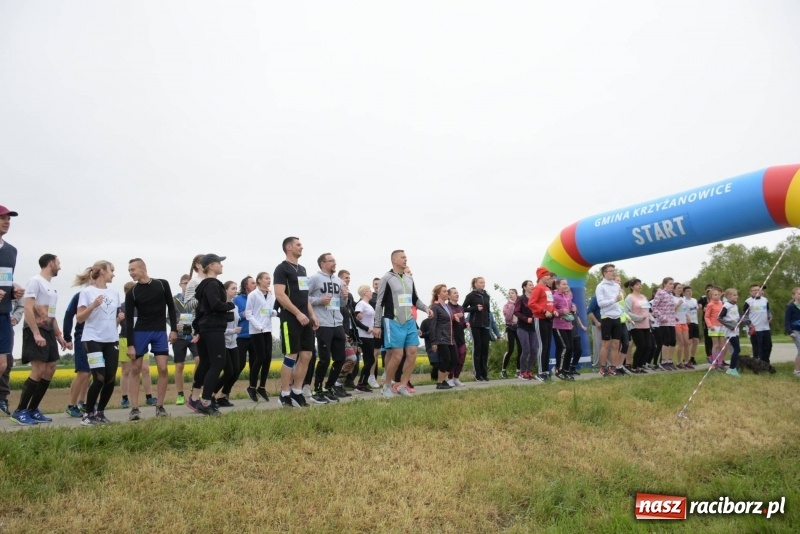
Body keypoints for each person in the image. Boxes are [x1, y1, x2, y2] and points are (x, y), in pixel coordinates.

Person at [12, 254, 69, 425]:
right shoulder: (35, 281)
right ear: (51, 263)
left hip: (49, 330)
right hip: (35, 329)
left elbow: (51, 314)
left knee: (50, 368)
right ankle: (20, 410)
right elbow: (28, 308)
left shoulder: (51, 287)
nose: (60, 266)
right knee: (38, 368)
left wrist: (59, 336)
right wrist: (36, 333)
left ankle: (33, 409)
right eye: (58, 262)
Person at [125, 258, 178, 421]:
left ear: (143, 268)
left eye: (133, 269)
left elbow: (171, 307)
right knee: (136, 369)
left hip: (159, 331)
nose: (131, 273)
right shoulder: (132, 292)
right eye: (129, 271)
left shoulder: (162, 284)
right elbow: (128, 320)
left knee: (163, 369)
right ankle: (134, 408)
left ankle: (160, 406)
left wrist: (174, 330)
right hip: (140, 332)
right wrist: (130, 345)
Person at [373, 250, 430, 398]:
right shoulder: (387, 278)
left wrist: (426, 308)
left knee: (412, 353)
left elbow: (414, 299)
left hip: (409, 321)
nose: (406, 259)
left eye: (406, 257)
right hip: (393, 320)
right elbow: (379, 303)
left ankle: (402, 386)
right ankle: (386, 386)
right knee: (397, 355)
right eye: (403, 257)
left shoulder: (409, 279)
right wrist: (377, 324)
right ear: (393, 260)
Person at [186, 254, 234, 416]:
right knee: (218, 363)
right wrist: (228, 305)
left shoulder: (203, 286)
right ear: (211, 266)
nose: (222, 266)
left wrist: (197, 329)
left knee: (206, 363)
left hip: (205, 328)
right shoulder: (213, 284)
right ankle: (206, 401)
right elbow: (214, 305)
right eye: (219, 263)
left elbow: (200, 310)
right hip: (213, 328)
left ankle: (201, 400)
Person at [75, 261, 122, 425]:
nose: (113, 274)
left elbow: (109, 320)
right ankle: (87, 414)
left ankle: (100, 412)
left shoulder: (115, 293)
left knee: (110, 378)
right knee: (99, 377)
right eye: (112, 270)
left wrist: (119, 319)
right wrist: (93, 305)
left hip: (111, 340)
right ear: (102, 271)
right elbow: (80, 318)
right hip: (92, 339)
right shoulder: (87, 292)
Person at [274, 237, 318, 408]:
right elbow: (280, 295)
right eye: (298, 244)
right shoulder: (281, 268)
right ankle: (284, 394)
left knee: (306, 355)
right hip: (290, 318)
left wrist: (312, 315)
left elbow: (304, 296)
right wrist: (298, 313)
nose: (302, 247)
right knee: (291, 356)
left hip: (305, 318)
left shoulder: (302, 269)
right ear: (289, 247)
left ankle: (297, 393)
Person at [308, 253, 350, 402]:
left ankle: (328, 387)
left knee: (340, 358)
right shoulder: (314, 279)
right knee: (325, 359)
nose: (334, 263)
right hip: (323, 324)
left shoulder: (339, 281)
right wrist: (320, 300)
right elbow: (303, 298)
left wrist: (345, 296)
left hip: (337, 323)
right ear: (322, 264)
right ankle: (317, 390)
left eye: (334, 260)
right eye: (331, 261)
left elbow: (342, 304)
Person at [0, 205, 23, 417]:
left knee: (3, 364)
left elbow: (4, 278)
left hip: (3, 314)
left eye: (9, 219)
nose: (7, 222)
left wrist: (13, 289)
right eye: (2, 218)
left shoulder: (11, 251)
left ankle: (2, 398)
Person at [244, 272, 277, 402]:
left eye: (270, 278)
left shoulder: (270, 295)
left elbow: (270, 310)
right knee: (260, 357)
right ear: (259, 280)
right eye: (266, 278)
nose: (269, 281)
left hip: (268, 329)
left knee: (268, 358)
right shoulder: (253, 295)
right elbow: (248, 313)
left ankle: (262, 386)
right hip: (256, 330)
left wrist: (273, 312)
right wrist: (258, 326)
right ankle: (251, 386)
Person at [213, 280, 242, 407]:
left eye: (236, 288)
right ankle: (210, 395)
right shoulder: (221, 306)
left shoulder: (235, 306)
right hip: (223, 342)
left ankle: (223, 396)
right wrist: (232, 331)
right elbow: (218, 328)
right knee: (228, 371)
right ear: (225, 291)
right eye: (233, 288)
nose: (236, 290)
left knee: (236, 371)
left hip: (233, 342)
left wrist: (235, 331)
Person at [172, 274, 198, 405]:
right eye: (184, 283)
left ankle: (195, 389)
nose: (186, 285)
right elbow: (170, 316)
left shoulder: (195, 298)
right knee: (179, 365)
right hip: (180, 335)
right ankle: (180, 394)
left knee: (199, 360)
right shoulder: (175, 299)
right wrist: (174, 327)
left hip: (194, 334)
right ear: (180, 285)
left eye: (189, 283)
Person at [594, 264, 623, 377]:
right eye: (610, 271)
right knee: (606, 344)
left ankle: (613, 368)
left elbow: (620, 301)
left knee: (616, 344)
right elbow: (600, 303)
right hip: (606, 317)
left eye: (614, 271)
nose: (613, 273)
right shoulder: (600, 286)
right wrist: (614, 300)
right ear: (604, 273)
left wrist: (619, 308)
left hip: (617, 317)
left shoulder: (616, 286)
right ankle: (602, 368)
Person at [63, 291, 89, 417]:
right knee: (83, 372)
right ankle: (71, 405)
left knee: (88, 373)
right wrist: (67, 337)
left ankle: (81, 402)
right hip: (82, 335)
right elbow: (68, 314)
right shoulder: (79, 295)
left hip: (96, 336)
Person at [529, 267, 556, 382]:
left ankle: (545, 371)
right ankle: (540, 372)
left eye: (549, 275)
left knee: (548, 345)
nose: (549, 277)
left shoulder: (547, 289)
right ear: (540, 276)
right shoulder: (538, 288)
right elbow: (531, 303)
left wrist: (553, 310)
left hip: (549, 319)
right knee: (542, 345)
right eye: (546, 275)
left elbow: (550, 303)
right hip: (540, 319)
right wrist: (544, 311)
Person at [428, 284, 458, 389]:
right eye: (444, 291)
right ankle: (440, 382)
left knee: (454, 359)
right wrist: (434, 342)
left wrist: (455, 317)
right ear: (438, 294)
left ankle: (443, 380)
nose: (446, 293)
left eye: (446, 291)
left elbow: (448, 320)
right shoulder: (435, 307)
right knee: (446, 359)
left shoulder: (447, 307)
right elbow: (433, 325)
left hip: (450, 338)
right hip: (441, 337)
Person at [462, 277, 492, 381]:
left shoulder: (487, 295)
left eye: (484, 282)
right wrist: (475, 308)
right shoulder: (471, 296)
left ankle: (484, 374)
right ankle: (477, 374)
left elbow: (488, 311)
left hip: (485, 325)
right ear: (475, 284)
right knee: (478, 348)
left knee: (485, 349)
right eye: (481, 282)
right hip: (475, 324)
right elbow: (463, 308)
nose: (483, 284)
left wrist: (489, 322)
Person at [624, 278, 653, 373]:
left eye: (640, 284)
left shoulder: (644, 297)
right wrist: (639, 318)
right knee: (641, 346)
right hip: (635, 325)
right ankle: (634, 367)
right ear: (632, 287)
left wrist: (650, 319)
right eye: (637, 284)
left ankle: (641, 366)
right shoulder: (629, 297)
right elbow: (626, 312)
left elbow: (647, 310)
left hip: (646, 325)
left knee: (648, 346)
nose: (639, 286)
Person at [233, 276, 255, 394]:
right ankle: (226, 390)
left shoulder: (257, 297)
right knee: (239, 365)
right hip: (241, 337)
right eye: (253, 283)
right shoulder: (237, 300)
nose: (255, 284)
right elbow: (231, 317)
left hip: (255, 335)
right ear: (246, 286)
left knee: (255, 364)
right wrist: (243, 314)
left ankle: (252, 388)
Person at [552, 278, 576, 381]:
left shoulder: (568, 296)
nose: (566, 286)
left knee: (570, 348)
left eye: (566, 284)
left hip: (568, 325)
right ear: (557, 286)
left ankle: (566, 371)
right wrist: (561, 311)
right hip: (558, 325)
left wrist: (573, 309)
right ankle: (559, 370)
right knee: (565, 347)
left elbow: (570, 308)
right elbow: (552, 309)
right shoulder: (555, 297)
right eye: (563, 284)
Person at [652, 277, 678, 371]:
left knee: (673, 341)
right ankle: (663, 361)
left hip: (671, 321)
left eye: (673, 283)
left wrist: (674, 316)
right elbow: (654, 307)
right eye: (670, 283)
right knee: (666, 340)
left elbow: (670, 308)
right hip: (664, 321)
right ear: (664, 284)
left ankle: (669, 361)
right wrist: (662, 317)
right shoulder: (660, 293)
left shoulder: (671, 295)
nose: (672, 285)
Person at [355, 285, 378, 392]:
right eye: (369, 290)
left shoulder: (369, 305)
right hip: (363, 335)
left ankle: (363, 383)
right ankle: (361, 384)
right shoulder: (361, 304)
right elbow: (356, 318)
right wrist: (366, 328)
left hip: (370, 335)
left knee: (369, 359)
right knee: (370, 359)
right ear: (365, 293)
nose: (372, 292)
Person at [743, 284, 772, 363]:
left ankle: (766, 363)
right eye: (754, 290)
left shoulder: (765, 300)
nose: (757, 291)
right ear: (750, 292)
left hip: (765, 328)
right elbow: (744, 316)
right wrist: (749, 325)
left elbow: (768, 311)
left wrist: (769, 317)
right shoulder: (748, 302)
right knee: (757, 348)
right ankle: (757, 364)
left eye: (758, 289)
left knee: (767, 346)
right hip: (755, 329)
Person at [514, 280, 537, 380]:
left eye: (533, 285)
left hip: (533, 327)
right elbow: (516, 312)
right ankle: (522, 372)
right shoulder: (520, 298)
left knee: (534, 350)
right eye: (530, 285)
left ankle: (528, 371)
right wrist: (525, 318)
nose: (532, 286)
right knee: (526, 349)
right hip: (522, 327)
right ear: (524, 287)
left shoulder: (535, 298)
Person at [446, 287, 468, 386]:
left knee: (462, 357)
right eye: (454, 293)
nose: (457, 294)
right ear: (449, 295)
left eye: (457, 293)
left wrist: (466, 323)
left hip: (460, 336)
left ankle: (456, 378)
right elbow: (445, 321)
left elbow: (462, 322)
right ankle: (449, 379)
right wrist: (454, 318)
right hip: (451, 336)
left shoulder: (461, 308)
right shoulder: (447, 307)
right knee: (453, 358)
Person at [719, 288, 742, 377]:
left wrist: (743, 321)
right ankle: (732, 369)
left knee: (736, 349)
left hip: (736, 330)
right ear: (728, 296)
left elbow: (736, 318)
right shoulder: (726, 306)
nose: (736, 296)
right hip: (730, 331)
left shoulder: (735, 306)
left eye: (736, 295)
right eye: (734, 295)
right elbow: (720, 318)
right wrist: (731, 325)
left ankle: (733, 368)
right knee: (737, 349)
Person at [703, 287, 725, 369]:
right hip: (713, 326)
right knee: (715, 345)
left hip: (721, 326)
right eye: (715, 295)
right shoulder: (710, 304)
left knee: (722, 345)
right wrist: (710, 325)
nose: (717, 296)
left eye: (718, 294)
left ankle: (720, 362)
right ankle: (714, 362)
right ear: (711, 296)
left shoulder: (721, 303)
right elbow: (707, 316)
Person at [501, 289, 519, 378]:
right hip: (510, 328)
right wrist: (512, 305)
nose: (510, 295)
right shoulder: (506, 305)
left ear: (516, 294)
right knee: (510, 349)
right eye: (509, 293)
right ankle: (503, 370)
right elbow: (508, 317)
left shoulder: (520, 303)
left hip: (519, 328)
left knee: (521, 349)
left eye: (512, 293)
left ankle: (518, 370)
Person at [673, 283, 691, 369]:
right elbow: (671, 310)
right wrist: (677, 304)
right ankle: (679, 362)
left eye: (681, 288)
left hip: (684, 322)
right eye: (678, 288)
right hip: (677, 323)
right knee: (681, 343)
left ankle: (686, 361)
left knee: (687, 343)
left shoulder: (683, 298)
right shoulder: (672, 298)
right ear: (674, 289)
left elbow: (685, 310)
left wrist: (688, 317)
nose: (680, 290)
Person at [784, 287, 800, 377]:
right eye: (799, 293)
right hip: (795, 330)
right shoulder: (790, 307)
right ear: (793, 296)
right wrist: (790, 331)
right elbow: (787, 321)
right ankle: (797, 371)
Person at [683, 286, 700, 366]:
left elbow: (696, 311)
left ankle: (692, 358)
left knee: (696, 340)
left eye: (690, 291)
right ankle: (686, 358)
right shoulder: (683, 301)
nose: (689, 292)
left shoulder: (694, 300)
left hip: (695, 321)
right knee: (688, 341)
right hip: (688, 322)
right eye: (687, 291)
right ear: (684, 293)